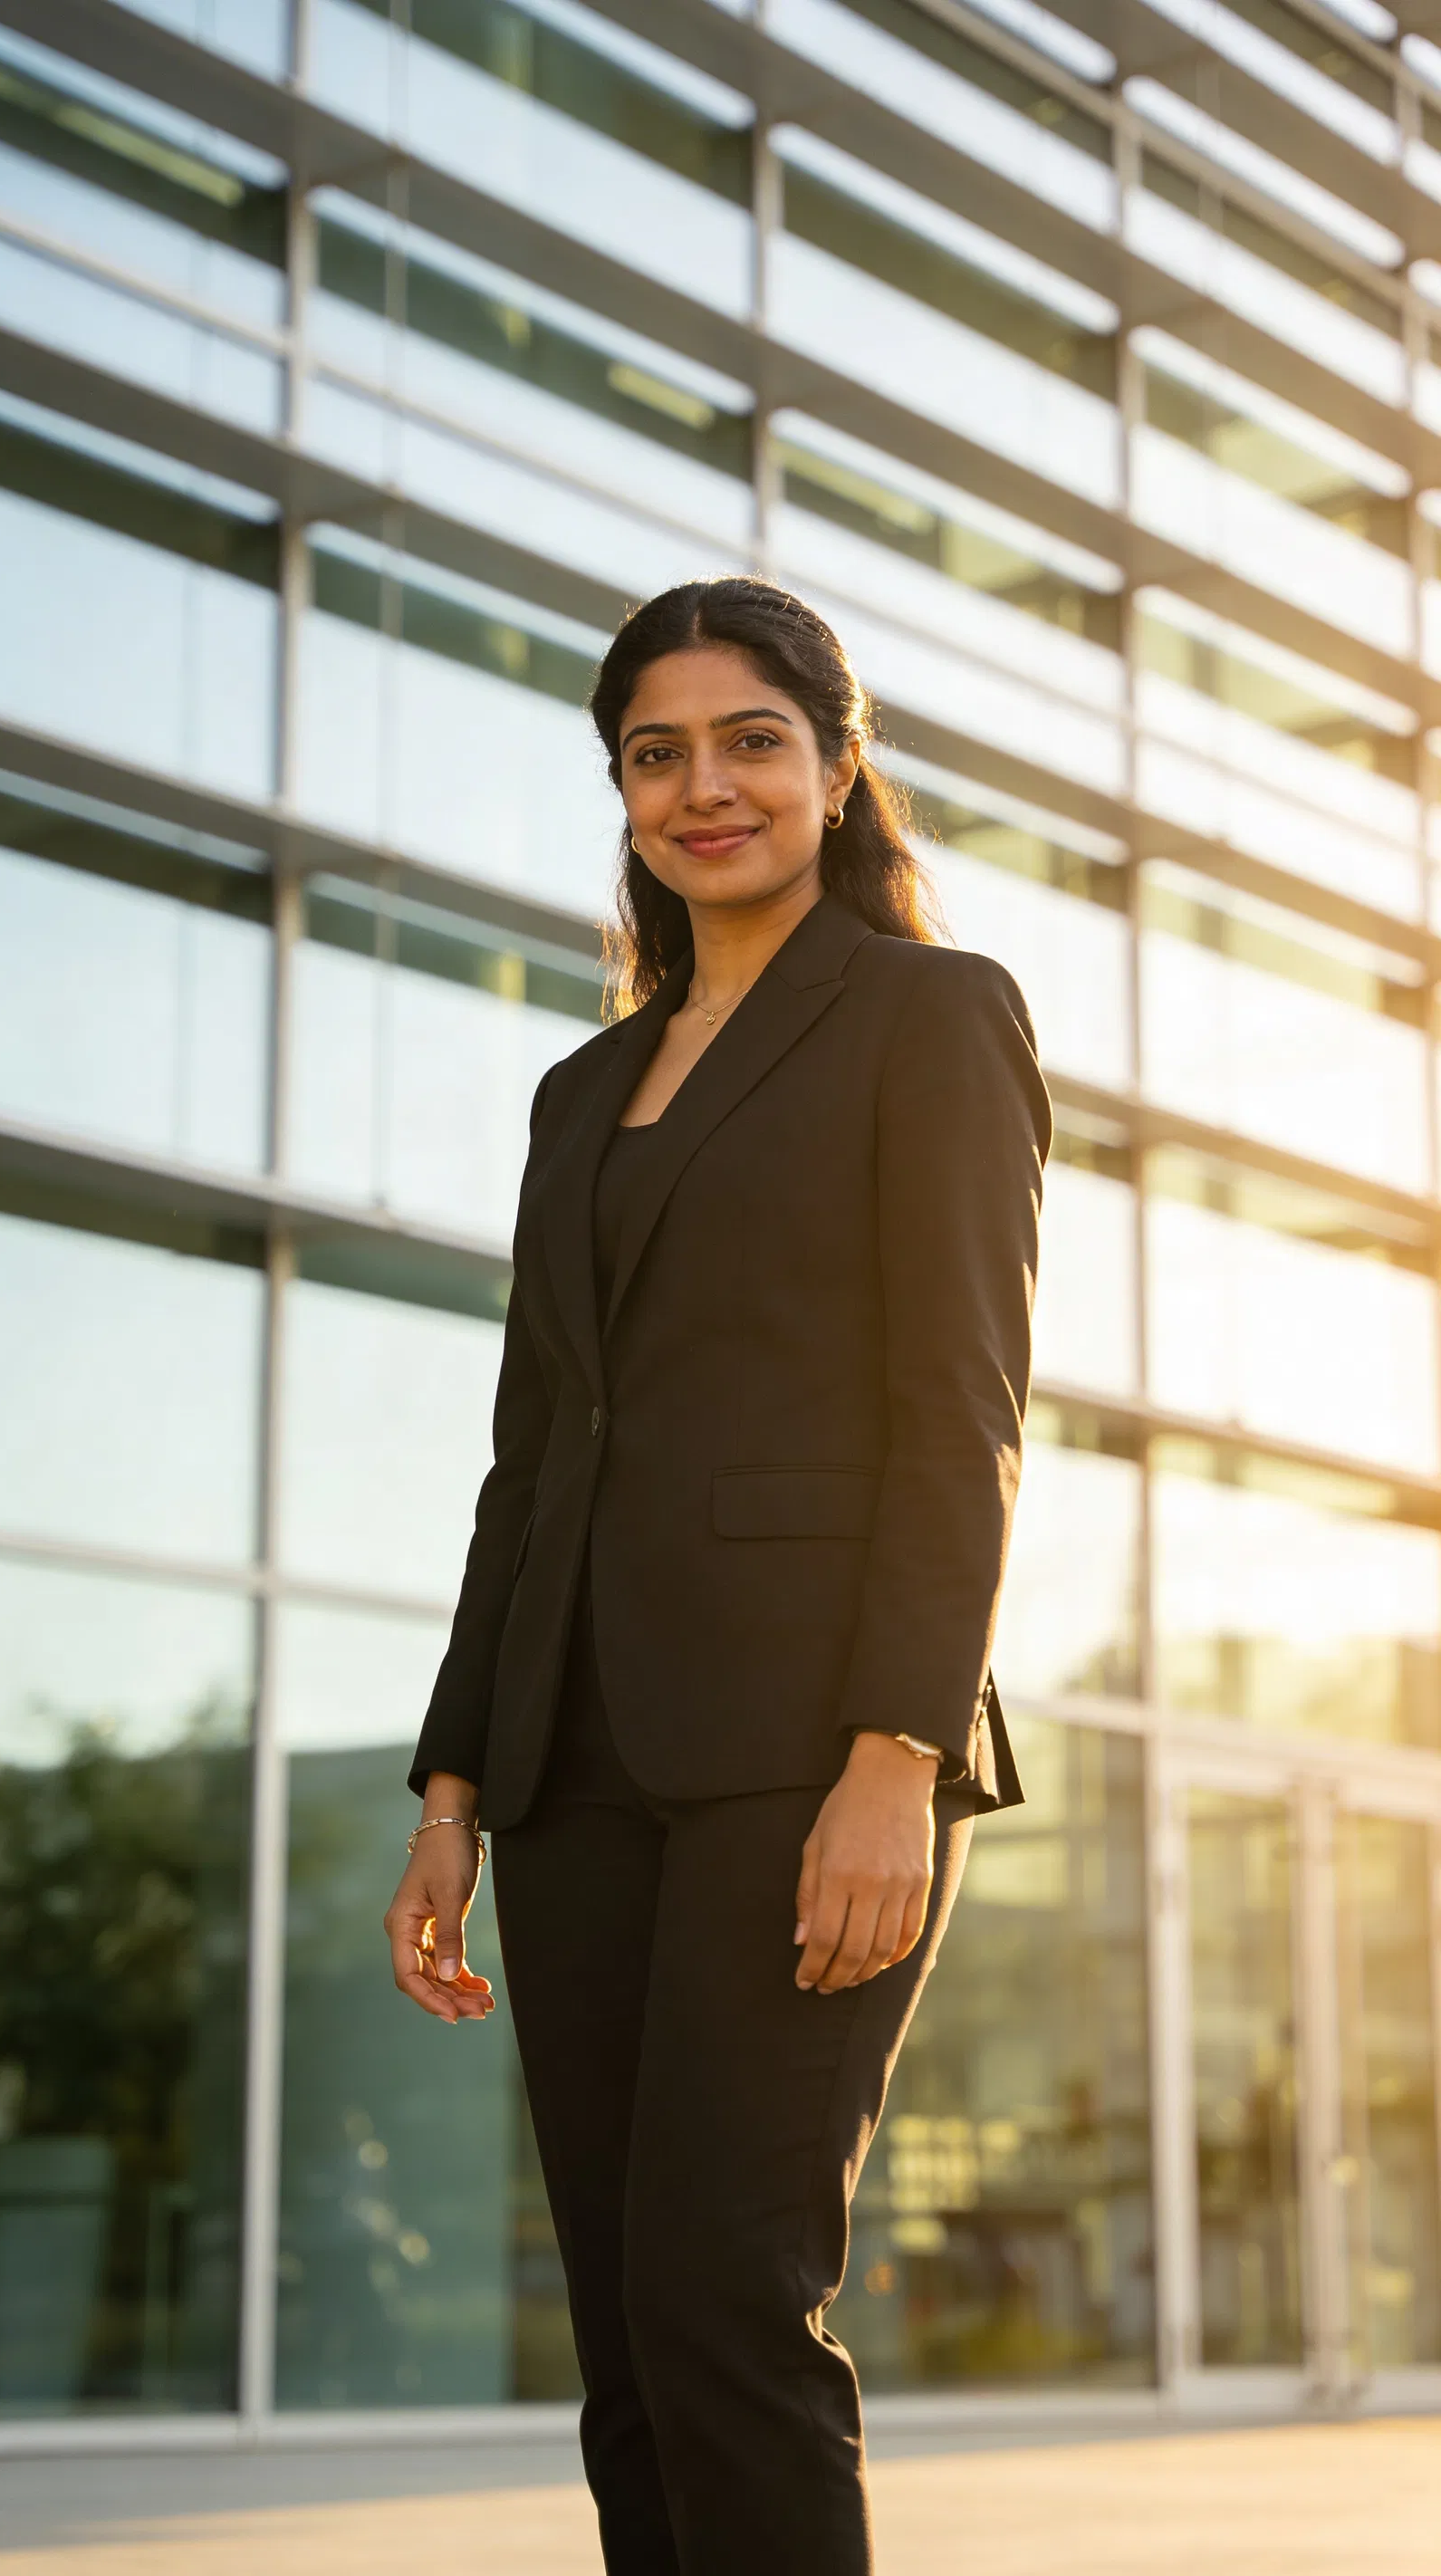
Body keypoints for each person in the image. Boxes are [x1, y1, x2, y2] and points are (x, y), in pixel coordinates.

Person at [383, 575, 1051, 2575]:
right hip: (575, 1763)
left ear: (836, 767)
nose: (704, 788)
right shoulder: (579, 1093)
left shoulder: (930, 1018)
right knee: (624, 2346)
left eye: (749, 740)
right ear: (620, 793)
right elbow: (533, 1464)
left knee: (723, 2306)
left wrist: (891, 1757)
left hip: (802, 1754)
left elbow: (962, 1411)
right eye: (654, 754)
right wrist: (452, 1791)